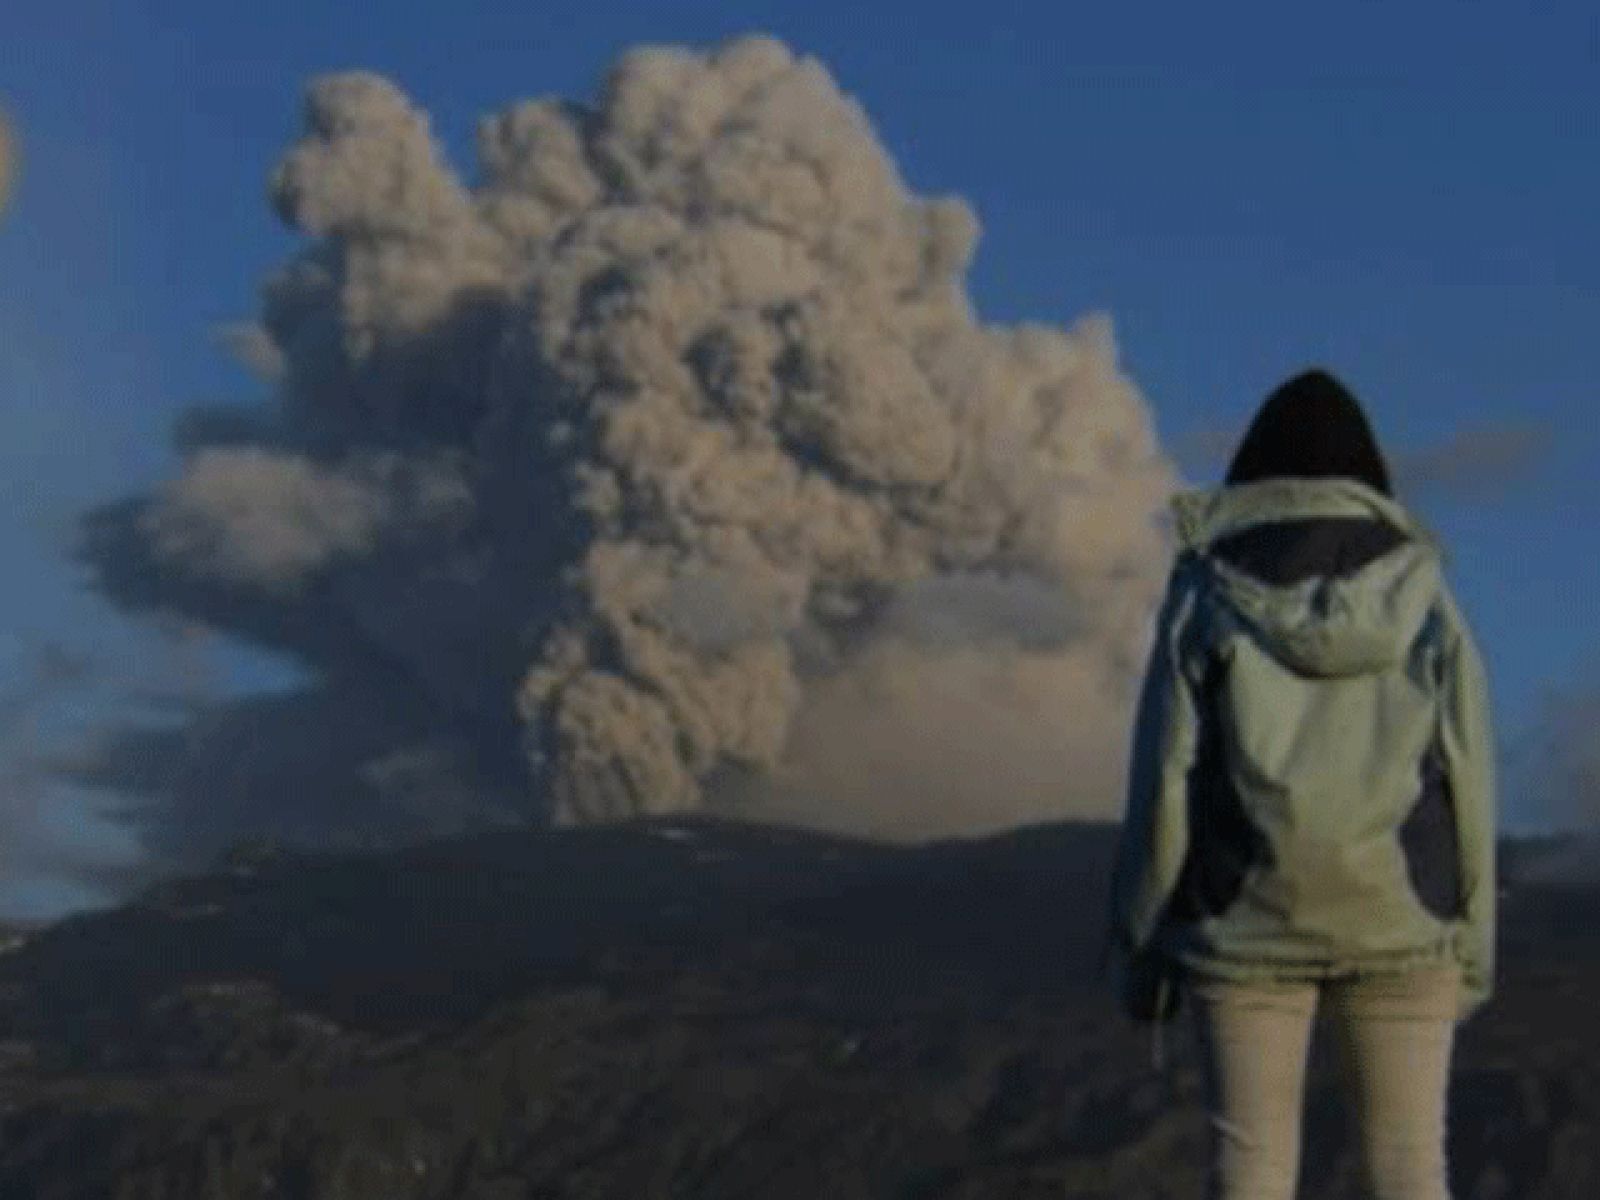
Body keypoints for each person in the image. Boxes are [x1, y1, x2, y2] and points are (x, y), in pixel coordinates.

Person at [1100, 368, 1497, 1200]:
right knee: (1412, 1171)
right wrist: (1472, 948)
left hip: (1243, 928)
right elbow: (1470, 775)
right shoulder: (1427, 596)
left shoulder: (1205, 591)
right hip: (1403, 923)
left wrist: (1142, 941)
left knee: (1248, 1175)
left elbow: (1163, 778)